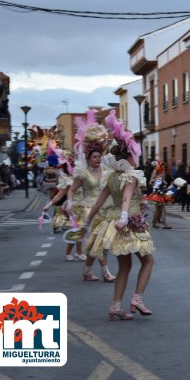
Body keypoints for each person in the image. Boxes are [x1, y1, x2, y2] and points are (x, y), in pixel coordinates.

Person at [82, 111, 154, 320]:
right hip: (129, 222)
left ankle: (116, 305)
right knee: (148, 261)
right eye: (134, 152)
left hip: (112, 223)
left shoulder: (112, 176)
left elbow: (99, 201)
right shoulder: (130, 175)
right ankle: (137, 298)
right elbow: (126, 198)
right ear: (129, 154)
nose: (136, 156)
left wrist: (86, 222)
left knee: (125, 266)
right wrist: (124, 217)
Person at [66, 112, 117, 282]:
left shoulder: (106, 171)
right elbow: (71, 190)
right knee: (99, 242)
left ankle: (87, 270)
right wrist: (70, 202)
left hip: (105, 210)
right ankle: (105, 271)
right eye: (94, 157)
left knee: (98, 243)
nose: (97, 159)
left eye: (99, 157)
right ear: (88, 158)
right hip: (89, 211)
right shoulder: (82, 173)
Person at [41, 155, 85, 262]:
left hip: (83, 208)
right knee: (78, 230)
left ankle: (71, 253)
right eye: (71, 166)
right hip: (72, 208)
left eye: (74, 165)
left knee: (79, 231)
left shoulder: (82, 178)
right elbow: (59, 195)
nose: (73, 168)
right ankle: (78, 253)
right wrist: (48, 206)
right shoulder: (68, 181)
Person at [146, 162, 172, 229]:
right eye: (163, 172)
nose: (164, 174)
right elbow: (160, 187)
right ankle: (164, 224)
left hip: (156, 195)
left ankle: (154, 223)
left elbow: (151, 184)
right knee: (162, 210)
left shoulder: (156, 179)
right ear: (160, 172)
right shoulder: (159, 179)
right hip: (159, 195)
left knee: (157, 210)